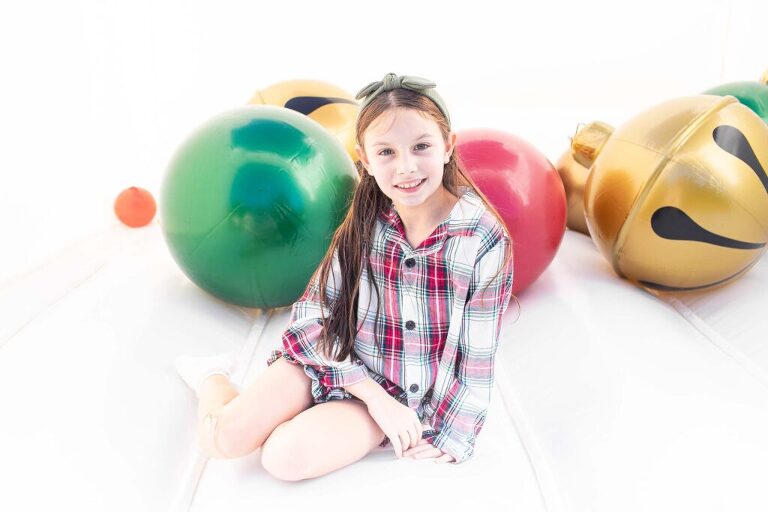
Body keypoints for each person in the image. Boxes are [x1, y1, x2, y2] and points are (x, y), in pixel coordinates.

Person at [175, 72, 516, 481]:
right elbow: (310, 314)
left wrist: (454, 433)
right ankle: (213, 377)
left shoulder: (481, 237)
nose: (406, 167)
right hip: (330, 363)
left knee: (283, 458)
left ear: (448, 146)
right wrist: (365, 390)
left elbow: (477, 354)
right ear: (365, 161)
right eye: (386, 152)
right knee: (224, 439)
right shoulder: (366, 221)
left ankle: (291, 415)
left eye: (421, 146)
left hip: (392, 394)